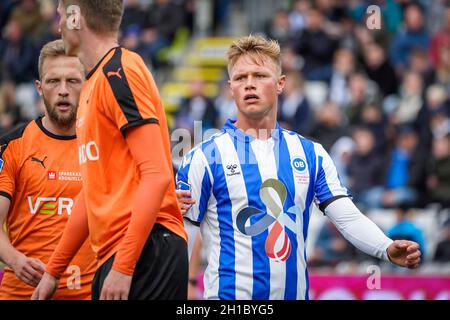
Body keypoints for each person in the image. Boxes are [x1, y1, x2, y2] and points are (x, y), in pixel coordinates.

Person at [176, 35, 421, 300]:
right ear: (230, 87)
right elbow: (182, 240)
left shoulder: (310, 153)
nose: (249, 85)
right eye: (240, 78)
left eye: (259, 75)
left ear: (281, 83)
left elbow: (346, 216)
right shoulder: (203, 158)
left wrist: (385, 247)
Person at [32, 0, 187, 300]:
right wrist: (53, 272)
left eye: (61, 15)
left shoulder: (120, 72)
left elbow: (156, 174)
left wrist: (125, 266)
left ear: (76, 17)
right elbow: (91, 193)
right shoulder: (93, 83)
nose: (59, 24)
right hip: (120, 255)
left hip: (145, 251)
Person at [0, 39, 96, 299]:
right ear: (39, 88)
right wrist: (16, 260)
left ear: (87, 87)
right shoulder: (11, 145)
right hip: (22, 294)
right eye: (54, 81)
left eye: (73, 81)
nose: (63, 90)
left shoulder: (105, 148)